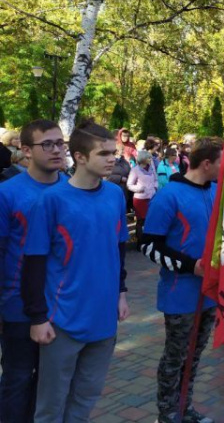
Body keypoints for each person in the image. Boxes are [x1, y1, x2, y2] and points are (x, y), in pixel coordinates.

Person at [21, 119, 129, 423]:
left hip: (104, 317)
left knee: (86, 397)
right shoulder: (51, 200)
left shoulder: (115, 195)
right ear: (80, 157)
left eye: (114, 153)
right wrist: (38, 316)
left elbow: (119, 247)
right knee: (51, 405)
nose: (113, 159)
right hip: (62, 319)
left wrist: (121, 292)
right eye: (104, 153)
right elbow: (34, 262)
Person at [140, 137, 223, 423]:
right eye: (223, 162)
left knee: (195, 355)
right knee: (175, 357)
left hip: (209, 292)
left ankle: (185, 408)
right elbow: (149, 245)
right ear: (207, 163)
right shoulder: (169, 195)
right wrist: (190, 266)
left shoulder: (216, 192)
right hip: (180, 294)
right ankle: (167, 414)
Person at [0, 120, 67, 422]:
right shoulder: (7, 193)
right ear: (25, 150)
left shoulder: (71, 189)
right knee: (18, 379)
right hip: (17, 305)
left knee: (50, 383)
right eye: (47, 144)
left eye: (60, 143)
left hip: (62, 303)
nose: (56, 150)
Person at [128, 150, 158, 241]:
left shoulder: (151, 168)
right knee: (141, 220)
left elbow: (156, 180)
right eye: (148, 157)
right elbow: (129, 185)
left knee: (150, 219)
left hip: (151, 197)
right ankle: (140, 241)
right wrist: (140, 189)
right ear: (143, 159)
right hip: (140, 199)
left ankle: (149, 240)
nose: (150, 159)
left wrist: (155, 188)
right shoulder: (135, 170)